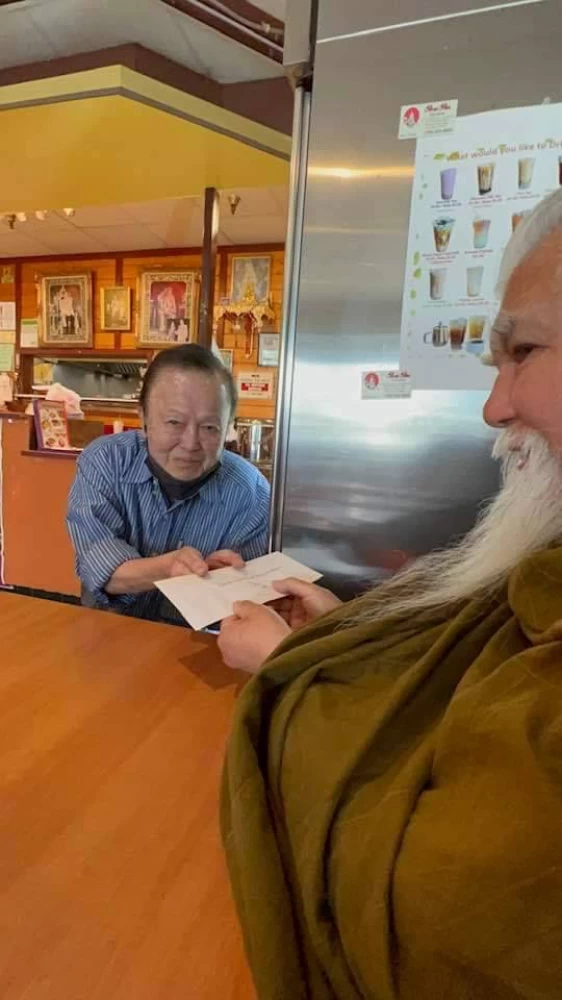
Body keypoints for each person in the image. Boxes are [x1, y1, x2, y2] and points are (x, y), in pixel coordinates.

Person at [219, 187, 562, 999]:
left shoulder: (243, 481)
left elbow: (440, 913)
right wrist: (346, 637)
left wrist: (291, 663)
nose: (493, 407)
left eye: (524, 350)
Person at [67, 344, 269, 623]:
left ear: (228, 428)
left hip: (199, 640)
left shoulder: (252, 494)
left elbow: (250, 603)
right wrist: (170, 567)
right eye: (174, 422)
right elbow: (101, 567)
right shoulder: (105, 462)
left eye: (209, 427)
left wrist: (223, 581)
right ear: (144, 418)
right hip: (108, 629)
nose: (190, 443)